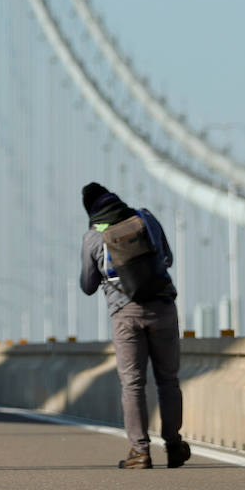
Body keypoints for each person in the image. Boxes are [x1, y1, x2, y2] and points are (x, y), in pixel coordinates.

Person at [78, 181, 190, 470]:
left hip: (125, 315)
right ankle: (174, 445)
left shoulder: (92, 237)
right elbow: (168, 258)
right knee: (168, 379)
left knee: (133, 384)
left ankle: (140, 452)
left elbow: (88, 286)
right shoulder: (146, 218)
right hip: (163, 308)